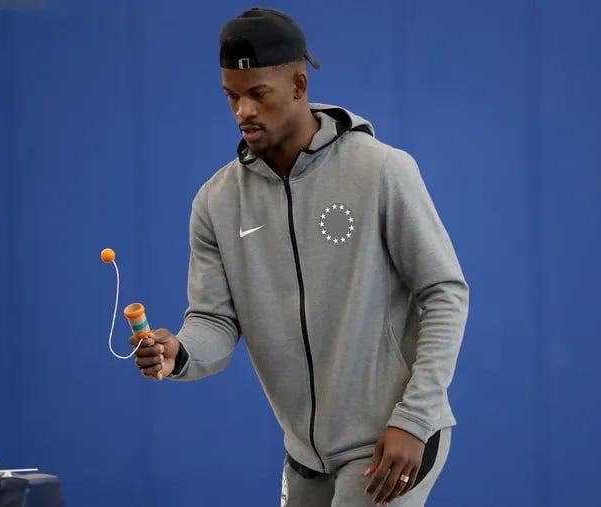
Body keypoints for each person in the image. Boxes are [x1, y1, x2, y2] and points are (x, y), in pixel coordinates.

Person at [130, 7, 469, 506]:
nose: (243, 110)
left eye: (257, 94)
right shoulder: (215, 203)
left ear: (298, 84)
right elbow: (214, 321)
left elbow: (444, 293)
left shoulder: (382, 170)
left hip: (390, 440)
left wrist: (414, 420)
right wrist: (179, 352)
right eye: (232, 96)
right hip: (305, 457)